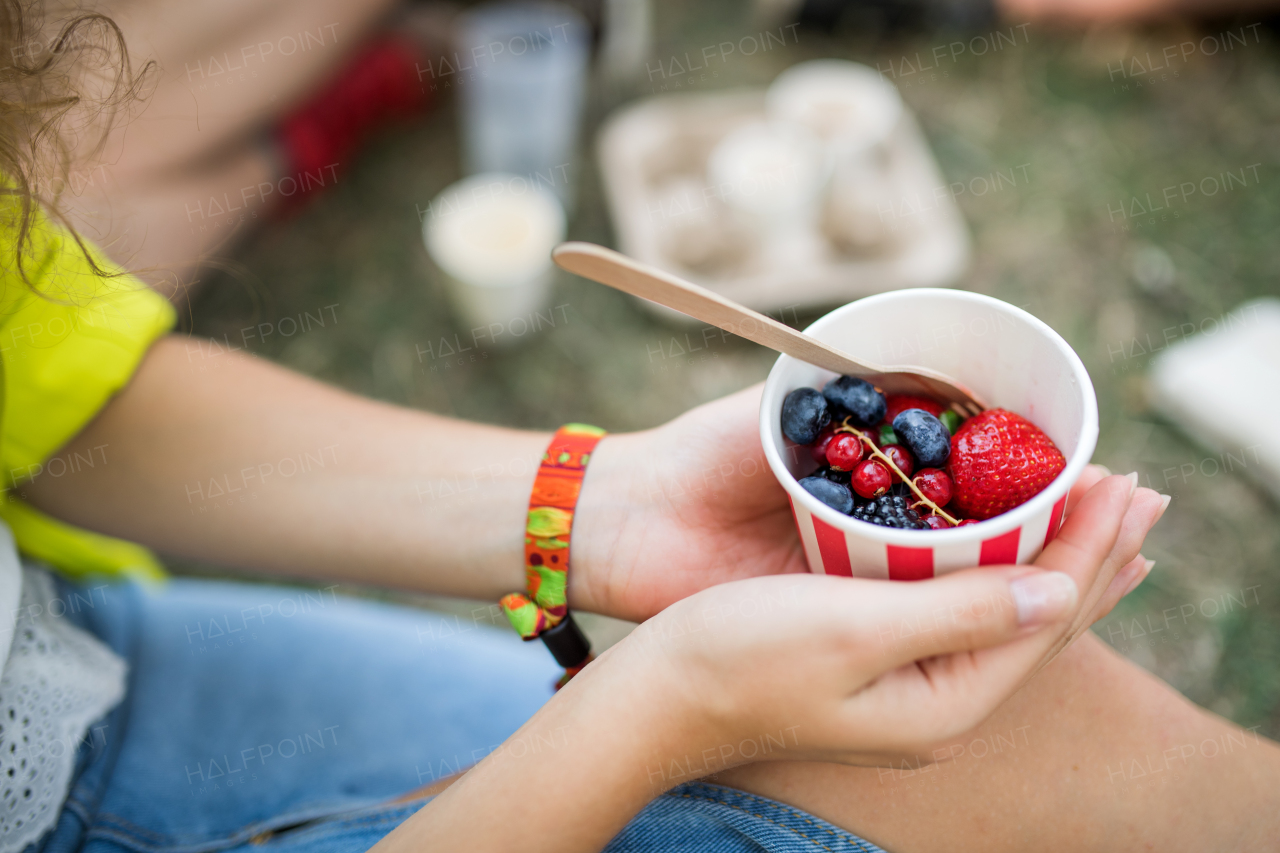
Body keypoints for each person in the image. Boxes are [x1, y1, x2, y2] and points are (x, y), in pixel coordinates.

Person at [2, 5, 1277, 853]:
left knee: (1029, 726)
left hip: (80, 650)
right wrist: (670, 703)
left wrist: (601, 502)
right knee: (948, 756)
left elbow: (46, 385)